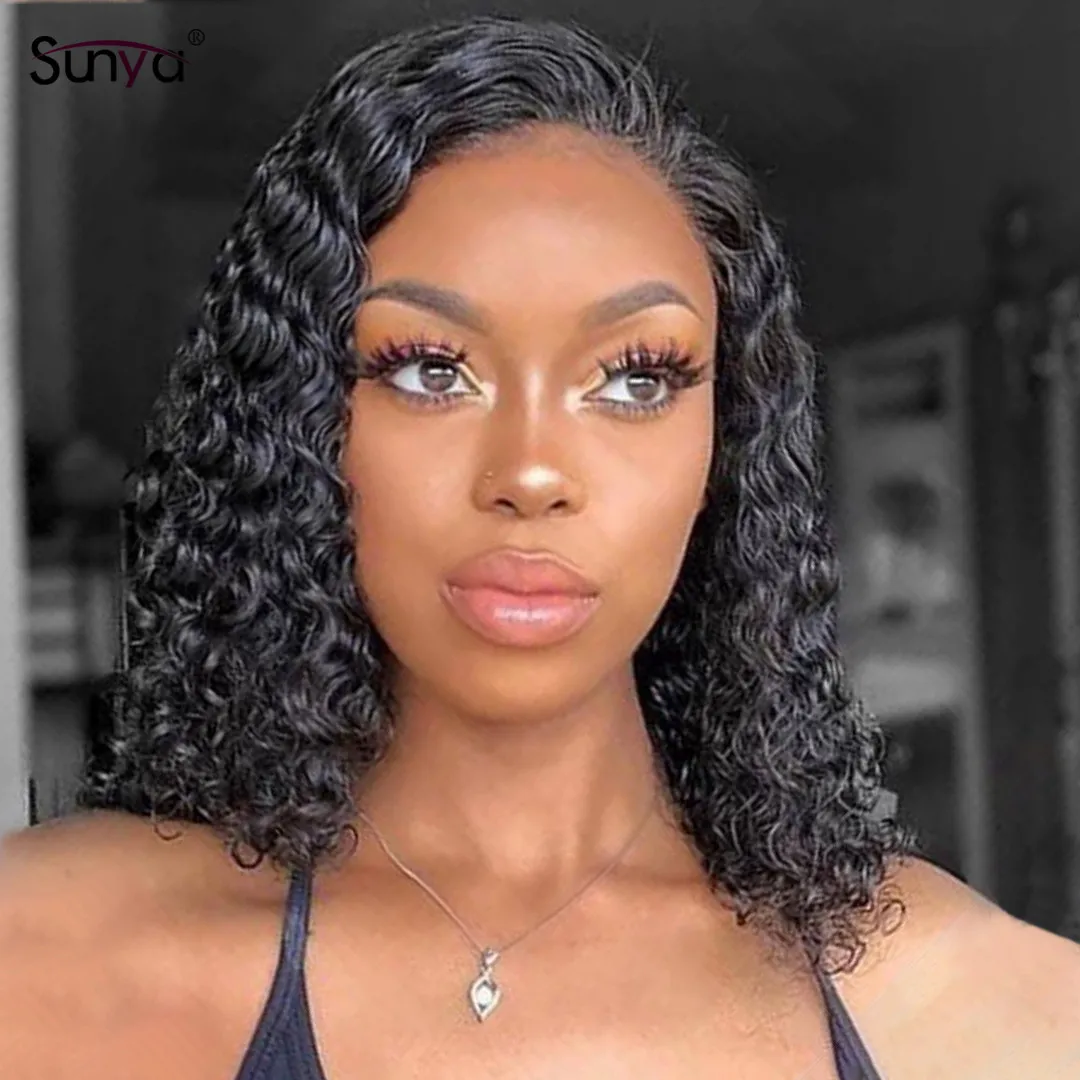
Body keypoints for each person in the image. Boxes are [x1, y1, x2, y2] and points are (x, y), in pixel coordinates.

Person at [2, 14, 1078, 1080]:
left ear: (728, 444)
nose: (529, 472)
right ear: (303, 422)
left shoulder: (982, 1011)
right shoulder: (48, 961)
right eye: (430, 369)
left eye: (636, 378)